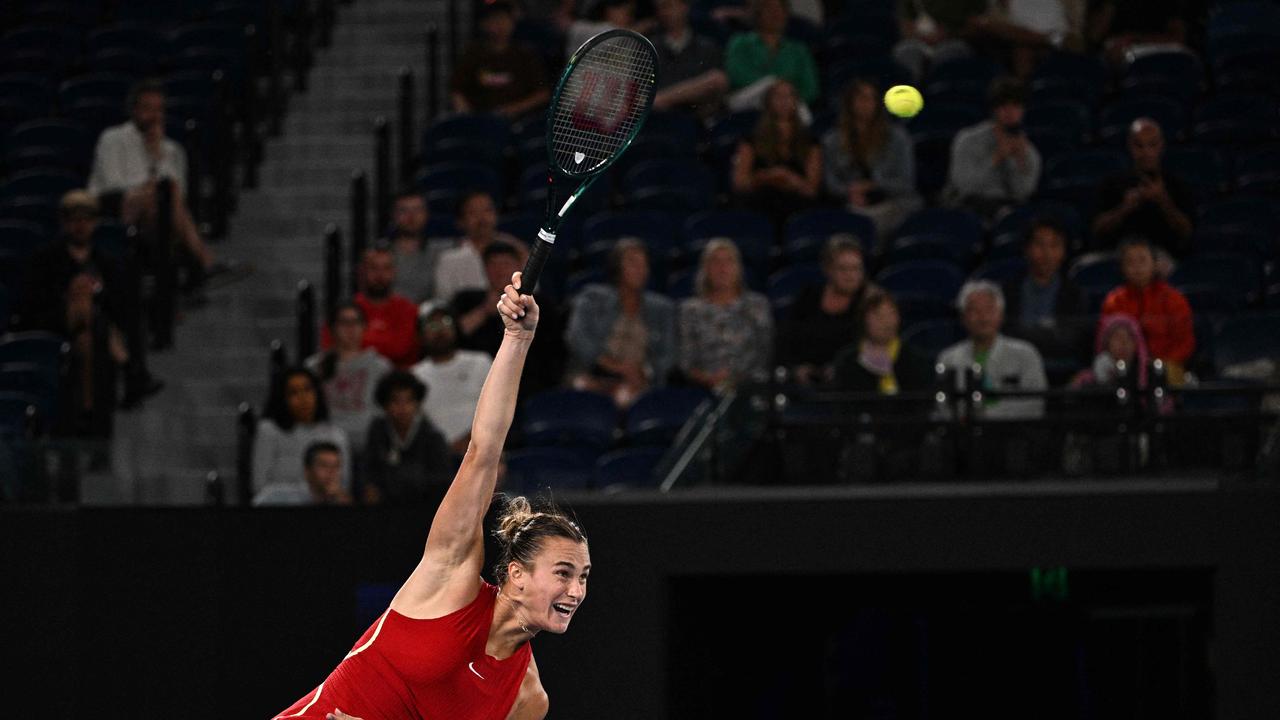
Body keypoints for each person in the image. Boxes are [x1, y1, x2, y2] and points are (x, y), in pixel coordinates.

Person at [273, 272, 585, 720]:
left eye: (583, 576)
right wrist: (516, 339)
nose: (576, 591)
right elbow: (483, 450)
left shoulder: (528, 700)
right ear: (516, 573)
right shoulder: (452, 576)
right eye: (564, 572)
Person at [19, 190, 162, 433]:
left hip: (96, 333)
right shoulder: (46, 260)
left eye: (86, 219)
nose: (80, 226)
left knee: (88, 332)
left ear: (94, 223)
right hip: (57, 326)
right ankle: (130, 369)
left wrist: (96, 295)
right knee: (81, 294)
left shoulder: (106, 263)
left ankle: (88, 409)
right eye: (74, 219)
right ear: (65, 223)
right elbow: (34, 305)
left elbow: (120, 306)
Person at [86, 79, 237, 292]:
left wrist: (156, 155)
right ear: (135, 109)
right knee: (162, 196)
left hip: (157, 215)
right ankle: (203, 262)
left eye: (158, 110)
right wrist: (148, 188)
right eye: (147, 108)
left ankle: (176, 287)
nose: (153, 116)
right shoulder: (113, 138)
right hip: (113, 205)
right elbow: (112, 183)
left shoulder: (172, 150)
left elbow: (178, 194)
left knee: (167, 200)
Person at [566, 239, 676, 407]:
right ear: (617, 267)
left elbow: (668, 353)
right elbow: (577, 337)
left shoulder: (661, 308)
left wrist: (644, 371)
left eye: (643, 263)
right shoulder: (592, 298)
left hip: (638, 379)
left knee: (627, 398)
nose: (640, 269)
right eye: (632, 262)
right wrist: (615, 366)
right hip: (594, 372)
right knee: (582, 388)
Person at [452, 242, 567, 396]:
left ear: (519, 268)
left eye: (506, 264)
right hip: (475, 383)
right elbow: (452, 336)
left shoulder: (539, 304)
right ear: (484, 269)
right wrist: (484, 311)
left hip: (528, 383)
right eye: (493, 265)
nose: (499, 271)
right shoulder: (467, 299)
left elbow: (555, 350)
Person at [821, 79, 922, 243]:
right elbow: (830, 182)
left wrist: (874, 185)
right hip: (850, 203)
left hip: (893, 202)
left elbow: (906, 181)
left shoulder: (898, 138)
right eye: (861, 98)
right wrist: (849, 191)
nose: (866, 104)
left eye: (871, 98)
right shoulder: (832, 140)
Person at [937, 280, 1048, 419]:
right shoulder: (948, 358)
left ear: (1001, 314)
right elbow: (943, 407)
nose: (983, 318)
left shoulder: (1026, 354)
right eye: (975, 311)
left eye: (989, 310)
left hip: (1014, 434)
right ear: (963, 317)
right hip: (963, 434)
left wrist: (988, 417)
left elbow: (1035, 403)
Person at [1091, 118, 1194, 265]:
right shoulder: (1111, 183)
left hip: (1160, 257)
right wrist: (1124, 208)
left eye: (1152, 145)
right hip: (1117, 255)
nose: (1146, 152)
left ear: (1161, 145)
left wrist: (1163, 200)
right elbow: (1097, 229)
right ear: (1130, 147)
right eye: (1139, 145)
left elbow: (1186, 232)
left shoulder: (1177, 185)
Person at [677, 239, 773, 391]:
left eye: (729, 261)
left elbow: (765, 355)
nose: (722, 268)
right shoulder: (690, 310)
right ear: (705, 270)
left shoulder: (757, 305)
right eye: (715, 262)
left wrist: (736, 380)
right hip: (703, 389)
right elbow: (686, 361)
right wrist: (708, 379)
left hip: (749, 389)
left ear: (738, 268)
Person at [1099, 236, 1194, 385]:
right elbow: (1105, 340)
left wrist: (1159, 363)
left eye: (1142, 261)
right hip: (1124, 365)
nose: (1137, 268)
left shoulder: (1174, 299)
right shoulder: (1114, 301)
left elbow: (1185, 342)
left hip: (1165, 366)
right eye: (1130, 262)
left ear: (1155, 264)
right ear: (1122, 268)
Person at [944, 77, 1041, 220]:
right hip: (968, 208)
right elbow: (964, 187)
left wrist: (1018, 162)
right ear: (994, 109)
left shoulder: (1028, 151)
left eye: (1015, 106)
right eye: (1004, 106)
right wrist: (996, 158)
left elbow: (1023, 193)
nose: (1009, 112)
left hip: (1006, 211)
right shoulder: (968, 139)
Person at [731, 79, 823, 228]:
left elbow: (811, 190)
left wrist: (789, 178)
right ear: (768, 101)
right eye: (778, 96)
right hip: (759, 203)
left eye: (789, 96)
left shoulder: (811, 142)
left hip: (797, 206)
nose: (784, 101)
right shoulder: (750, 140)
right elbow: (740, 184)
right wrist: (766, 177)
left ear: (796, 101)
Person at [777, 235, 869, 385]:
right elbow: (786, 338)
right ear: (827, 269)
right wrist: (796, 368)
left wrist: (840, 369)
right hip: (803, 382)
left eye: (856, 268)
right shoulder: (809, 297)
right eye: (843, 269)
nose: (850, 276)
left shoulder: (870, 301)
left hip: (851, 384)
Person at [253, 367, 351, 503]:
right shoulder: (269, 430)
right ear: (283, 398)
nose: (303, 398)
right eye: (293, 393)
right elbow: (259, 485)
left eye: (308, 390)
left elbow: (343, 485)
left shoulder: (336, 435)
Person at [1000, 216, 1087, 366]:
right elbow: (1006, 334)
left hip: (1061, 368)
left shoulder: (1075, 294)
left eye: (1054, 245)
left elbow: (1072, 340)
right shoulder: (1008, 291)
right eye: (1039, 244)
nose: (1046, 253)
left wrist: (1030, 334)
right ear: (1027, 249)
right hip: (1014, 364)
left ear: (1064, 252)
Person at [306, 302, 393, 452]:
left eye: (356, 322)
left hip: (367, 445)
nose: (350, 329)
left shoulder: (380, 367)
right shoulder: (314, 366)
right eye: (344, 323)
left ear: (364, 326)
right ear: (332, 328)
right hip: (325, 445)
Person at [412, 304, 493, 457]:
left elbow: (498, 410)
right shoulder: (415, 376)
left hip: (482, 449)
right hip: (435, 457)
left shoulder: (480, 362)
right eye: (432, 325)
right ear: (420, 333)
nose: (440, 330)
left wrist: (469, 441)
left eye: (446, 322)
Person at [363, 371, 454, 505]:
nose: (402, 408)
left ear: (417, 403)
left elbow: (443, 479)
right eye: (396, 401)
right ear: (385, 405)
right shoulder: (378, 431)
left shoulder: (432, 436)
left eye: (408, 400)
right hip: (385, 508)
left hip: (423, 507)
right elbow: (369, 470)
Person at [324, 243, 421, 368]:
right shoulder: (344, 311)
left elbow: (399, 348)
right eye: (373, 268)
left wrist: (358, 342)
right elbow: (330, 348)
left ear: (394, 272)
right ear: (361, 271)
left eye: (386, 268)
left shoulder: (408, 310)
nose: (380, 275)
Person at [450, 0, 550, 119]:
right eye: (494, 20)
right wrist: (467, 116)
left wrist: (513, 109)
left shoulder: (525, 54)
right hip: (481, 123)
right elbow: (457, 90)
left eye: (503, 19)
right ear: (483, 24)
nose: (499, 25)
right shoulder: (473, 54)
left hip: (519, 125)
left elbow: (543, 94)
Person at [831, 287, 935, 395]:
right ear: (863, 320)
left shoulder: (915, 360)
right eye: (878, 315)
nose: (886, 322)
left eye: (891, 314)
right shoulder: (847, 361)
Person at [724, 0, 820, 112]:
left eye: (780, 9)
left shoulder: (798, 49)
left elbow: (810, 87)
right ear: (758, 13)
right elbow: (737, 76)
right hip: (748, 101)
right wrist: (774, 87)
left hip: (788, 103)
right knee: (774, 86)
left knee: (788, 101)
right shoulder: (740, 43)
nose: (775, 13)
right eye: (769, 9)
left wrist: (784, 93)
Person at [434, 191, 527, 304]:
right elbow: (443, 302)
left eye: (487, 210)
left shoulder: (515, 250)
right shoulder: (449, 260)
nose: (482, 218)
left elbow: (532, 293)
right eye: (472, 212)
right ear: (460, 221)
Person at [650, 0, 729, 117]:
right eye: (660, 8)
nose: (664, 12)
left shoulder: (707, 47)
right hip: (660, 120)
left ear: (684, 7)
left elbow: (720, 83)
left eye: (669, 5)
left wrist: (665, 99)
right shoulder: (649, 49)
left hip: (698, 119)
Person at [387, 190, 451, 302]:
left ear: (426, 214)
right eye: (404, 211)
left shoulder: (444, 251)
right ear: (394, 215)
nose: (411, 217)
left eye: (417, 210)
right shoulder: (380, 253)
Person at [253, 441, 353, 506]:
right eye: (324, 466)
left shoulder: (341, 500)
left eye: (336, 466)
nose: (332, 472)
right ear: (307, 471)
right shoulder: (275, 496)